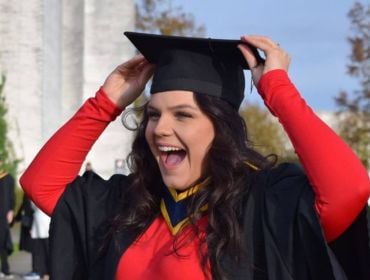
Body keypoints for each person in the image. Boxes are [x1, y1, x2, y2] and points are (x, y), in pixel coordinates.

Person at [20, 32, 370, 280]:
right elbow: (42, 184)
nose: (159, 128)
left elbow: (348, 189)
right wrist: (104, 103)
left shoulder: (264, 205)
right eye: (154, 115)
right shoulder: (129, 207)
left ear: (221, 128)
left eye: (183, 115)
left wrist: (278, 90)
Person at [0, 166, 15, 279]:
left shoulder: (8, 178)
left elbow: (11, 196)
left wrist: (11, 210)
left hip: (3, 216)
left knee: (3, 242)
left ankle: (5, 269)